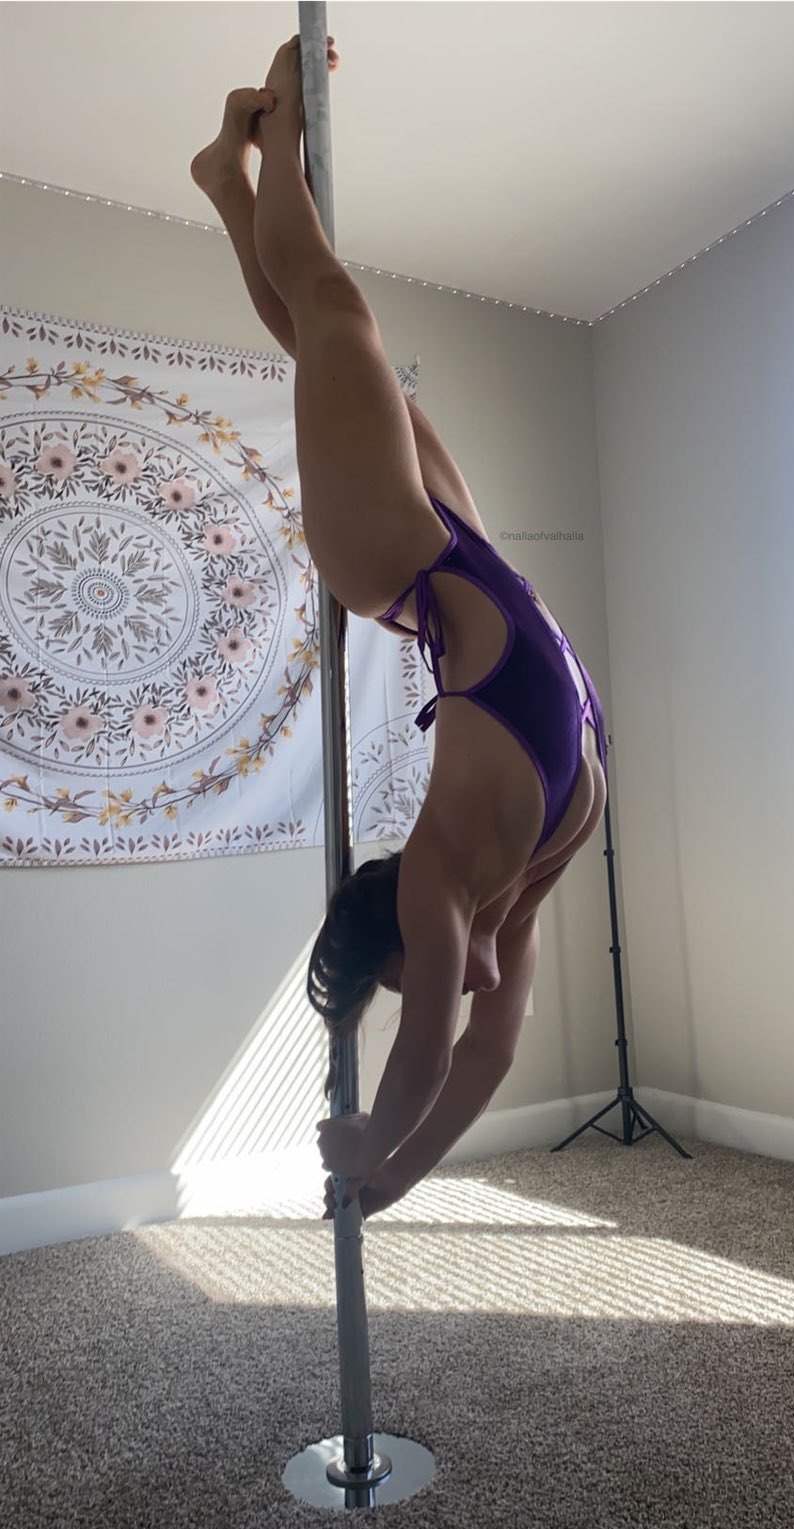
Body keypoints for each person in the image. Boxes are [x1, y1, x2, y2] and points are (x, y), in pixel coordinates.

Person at [191, 37, 608, 1223]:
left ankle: (272, 145)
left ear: (404, 930)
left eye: (410, 970)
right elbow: (483, 1057)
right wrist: (382, 1180)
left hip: (401, 562)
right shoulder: (525, 885)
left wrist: (373, 1132)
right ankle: (234, 178)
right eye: (431, 979)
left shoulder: (441, 879)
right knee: (331, 337)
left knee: (337, 319)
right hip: (472, 559)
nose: (449, 985)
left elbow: (427, 1045)